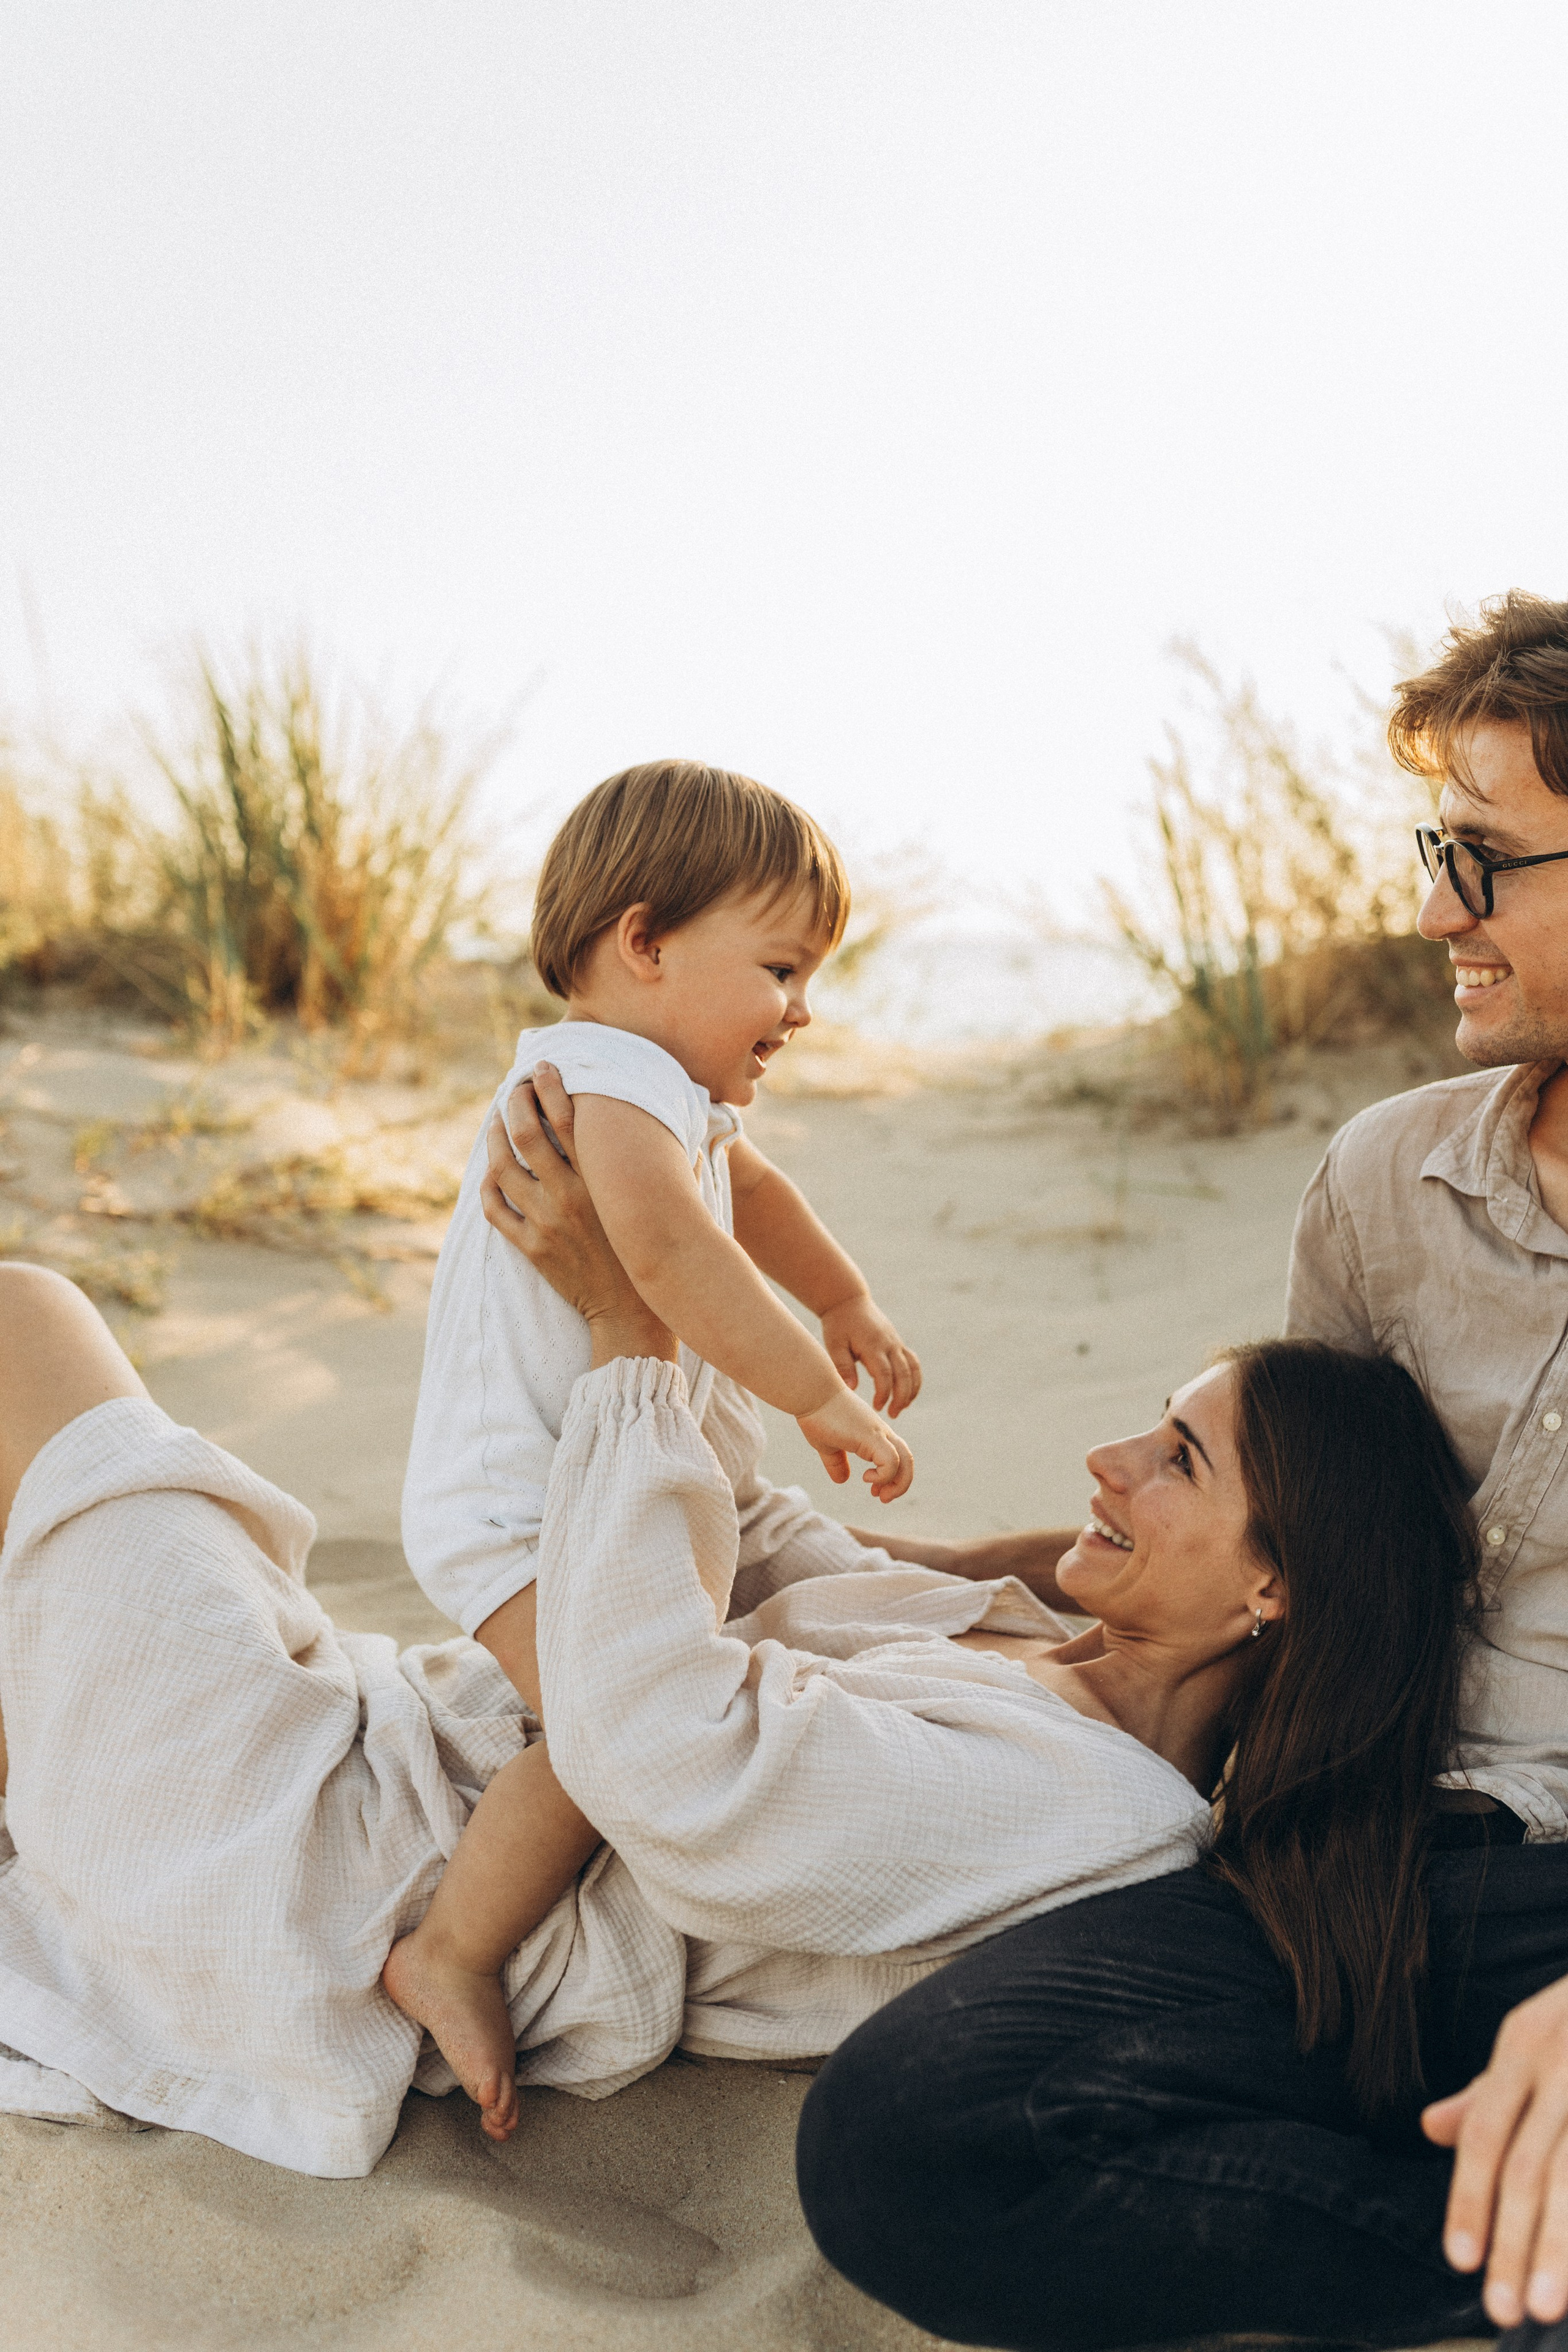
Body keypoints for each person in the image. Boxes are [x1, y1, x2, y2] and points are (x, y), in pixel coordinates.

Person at [0, 1085, 1469, 2196]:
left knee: (27, 1324)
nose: (1105, 1457)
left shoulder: (1081, 1808)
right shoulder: (1032, 1643)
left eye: (1177, 1461)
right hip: (378, 1735)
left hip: (320, 1875)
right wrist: (676, 1239)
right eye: (1150, 1423)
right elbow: (752, 1533)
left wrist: (627, 1332)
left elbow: (656, 1747)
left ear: (1277, 1592)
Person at [796, 589, 1568, 2352]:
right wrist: (909, 1578)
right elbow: (1269, 1545)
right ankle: (1489, 2290)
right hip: (1353, 1865)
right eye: (1435, 845)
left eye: (1489, 856)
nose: (1435, 904)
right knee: (907, 2139)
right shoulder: (1388, 1186)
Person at [387, 759, 922, 2133]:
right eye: (782, 969)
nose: (800, 1010)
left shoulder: (667, 1091)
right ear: (644, 942)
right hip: (516, 1511)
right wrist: (816, 1392)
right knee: (596, 1730)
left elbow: (751, 1188)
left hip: (592, 1499)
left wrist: (846, 1295)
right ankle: (447, 1953)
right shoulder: (596, 1076)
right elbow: (670, 1249)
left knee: (650, 1681)